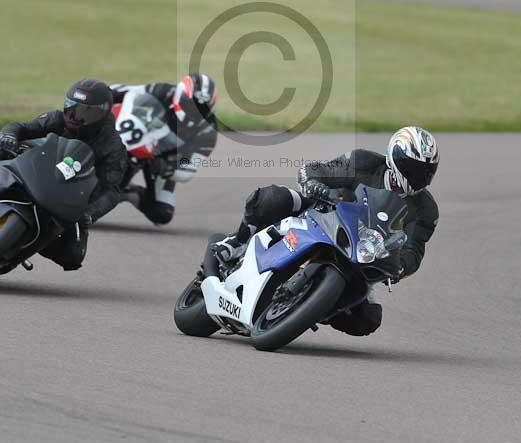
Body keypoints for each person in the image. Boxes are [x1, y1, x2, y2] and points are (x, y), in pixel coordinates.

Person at [214, 126, 440, 337]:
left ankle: (313, 307)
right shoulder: (363, 161)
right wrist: (316, 185)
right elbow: (316, 170)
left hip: (361, 256)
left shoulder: (426, 210)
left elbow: (414, 250)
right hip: (321, 216)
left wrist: (400, 267)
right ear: (395, 159)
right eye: (413, 168)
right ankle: (237, 242)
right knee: (272, 198)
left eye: (426, 171)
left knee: (368, 319)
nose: (419, 176)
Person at [0, 79, 128, 270]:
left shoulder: (112, 146)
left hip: (71, 200)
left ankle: (24, 245)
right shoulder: (56, 119)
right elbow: (21, 128)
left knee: (72, 255)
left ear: (102, 113)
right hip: (32, 173)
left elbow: (112, 191)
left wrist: (90, 213)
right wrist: (9, 135)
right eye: (70, 107)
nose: (74, 116)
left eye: (84, 112)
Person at [111, 73, 217, 226]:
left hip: (162, 159)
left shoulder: (208, 132)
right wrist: (104, 95)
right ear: (180, 96)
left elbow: (190, 165)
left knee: (162, 212)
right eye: (191, 104)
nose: (195, 111)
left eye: (202, 108)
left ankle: (128, 193)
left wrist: (168, 166)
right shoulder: (163, 91)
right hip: (133, 135)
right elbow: (127, 91)